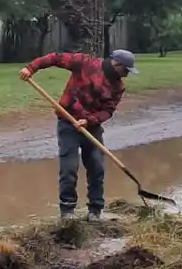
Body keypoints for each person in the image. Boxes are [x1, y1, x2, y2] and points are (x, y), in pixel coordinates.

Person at [19, 48, 137, 221]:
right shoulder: (84, 63)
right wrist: (31, 68)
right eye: (125, 70)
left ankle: (95, 211)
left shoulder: (118, 86)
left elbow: (108, 111)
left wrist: (89, 121)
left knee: (97, 168)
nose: (126, 74)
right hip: (68, 123)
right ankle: (67, 211)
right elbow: (55, 58)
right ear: (116, 64)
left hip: (92, 128)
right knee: (69, 169)